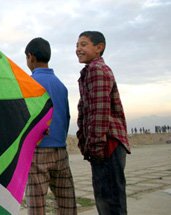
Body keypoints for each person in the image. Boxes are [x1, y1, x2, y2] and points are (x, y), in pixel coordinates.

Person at [76, 31, 131, 215]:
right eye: (77, 45)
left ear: (99, 48)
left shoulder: (97, 70)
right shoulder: (90, 71)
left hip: (108, 145)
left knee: (110, 202)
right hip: (104, 145)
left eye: (84, 44)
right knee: (107, 199)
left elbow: (99, 111)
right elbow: (87, 110)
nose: (78, 49)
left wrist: (96, 146)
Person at [24, 37, 77, 215]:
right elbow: (67, 116)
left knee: (37, 204)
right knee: (66, 201)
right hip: (60, 150)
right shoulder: (61, 86)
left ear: (30, 57)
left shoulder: (28, 85)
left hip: (37, 151)